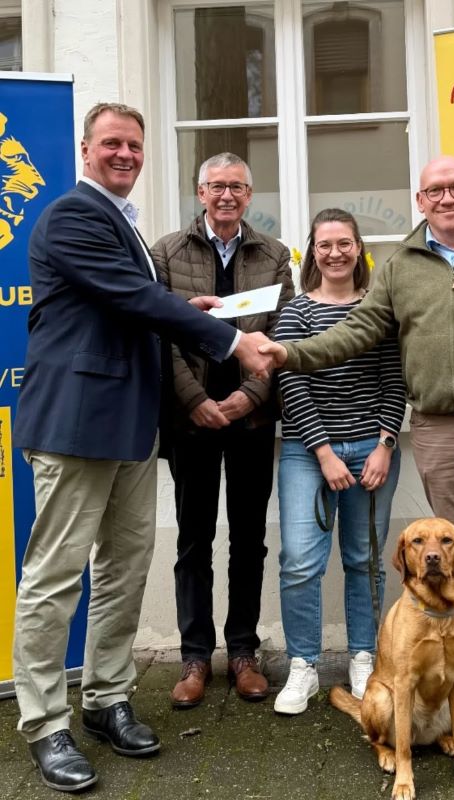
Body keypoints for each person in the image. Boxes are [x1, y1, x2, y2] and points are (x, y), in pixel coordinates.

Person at [260, 158, 454, 730]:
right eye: (435, 190)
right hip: (438, 427)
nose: (447, 198)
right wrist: (291, 353)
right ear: (420, 200)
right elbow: (359, 331)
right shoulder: (401, 266)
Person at [12, 103, 272, 794]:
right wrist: (229, 339)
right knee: (54, 578)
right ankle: (45, 722)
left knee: (124, 571)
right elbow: (129, 296)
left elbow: (135, 303)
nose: (125, 154)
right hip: (75, 423)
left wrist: (188, 310)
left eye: (134, 144)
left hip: (130, 426)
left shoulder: (122, 220)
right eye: (112, 143)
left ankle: (105, 698)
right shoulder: (72, 214)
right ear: (85, 149)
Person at [151, 153, 294, 709]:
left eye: (236, 186)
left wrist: (247, 398)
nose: (226, 195)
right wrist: (195, 401)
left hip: (251, 418)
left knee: (249, 539)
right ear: (200, 192)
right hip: (192, 420)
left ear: (250, 195)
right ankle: (194, 656)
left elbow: (283, 335)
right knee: (193, 539)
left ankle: (242, 652)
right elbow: (160, 333)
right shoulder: (167, 252)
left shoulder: (274, 255)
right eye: (216, 186)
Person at [271, 208, 405, 715]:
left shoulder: (378, 310)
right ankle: (303, 665)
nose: (335, 253)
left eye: (344, 243)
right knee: (299, 562)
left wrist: (385, 444)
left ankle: (364, 658)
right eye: (324, 244)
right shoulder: (296, 313)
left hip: (372, 450)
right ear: (313, 252)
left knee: (364, 560)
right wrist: (324, 453)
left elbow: (395, 380)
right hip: (309, 454)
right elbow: (291, 385)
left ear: (359, 248)